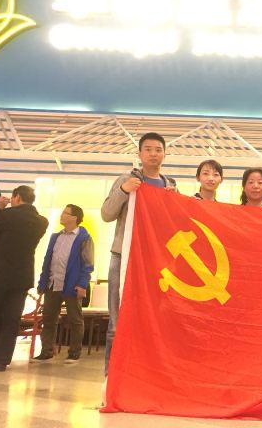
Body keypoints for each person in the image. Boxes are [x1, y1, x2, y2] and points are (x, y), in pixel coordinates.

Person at [101, 132, 177, 376]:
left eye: (158, 150)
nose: (153, 154)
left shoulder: (170, 185)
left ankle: (144, 376)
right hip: (123, 256)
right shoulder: (127, 179)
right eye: (148, 149)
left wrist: (173, 204)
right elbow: (106, 214)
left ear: (164, 154)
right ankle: (112, 377)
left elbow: (173, 226)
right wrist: (124, 191)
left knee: (152, 320)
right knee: (117, 322)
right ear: (140, 153)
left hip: (154, 260)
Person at [0, 186, 48, 373]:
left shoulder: (7, 215)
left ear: (17, 197)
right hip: (21, 277)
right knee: (11, 319)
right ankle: (1, 362)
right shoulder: (41, 222)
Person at [32, 204, 94, 364]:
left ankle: (74, 353)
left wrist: (82, 284)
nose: (62, 215)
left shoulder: (84, 238)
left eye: (66, 213)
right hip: (53, 283)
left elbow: (88, 264)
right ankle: (46, 351)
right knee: (49, 319)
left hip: (72, 285)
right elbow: (47, 260)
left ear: (74, 218)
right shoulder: (55, 237)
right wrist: (42, 282)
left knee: (75, 319)